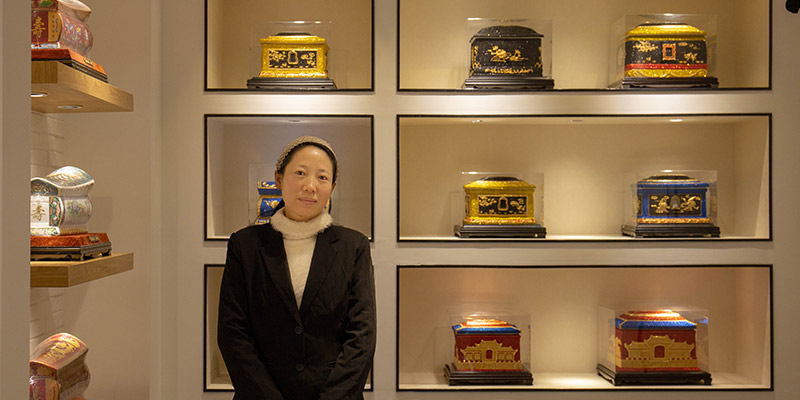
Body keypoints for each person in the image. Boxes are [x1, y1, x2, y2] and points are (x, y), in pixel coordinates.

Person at [218, 136, 376, 400]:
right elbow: (233, 332)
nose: (310, 186)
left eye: (322, 178)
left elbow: (362, 336)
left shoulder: (353, 246)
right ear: (278, 178)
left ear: (332, 187)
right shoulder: (245, 245)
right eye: (300, 173)